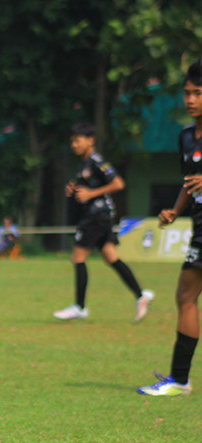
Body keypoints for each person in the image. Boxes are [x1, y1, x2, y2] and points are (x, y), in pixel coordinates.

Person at [138, 60, 202, 397]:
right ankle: (180, 379)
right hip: (200, 227)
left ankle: (179, 380)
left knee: (186, 296)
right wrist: (175, 211)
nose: (190, 99)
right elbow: (189, 182)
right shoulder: (186, 137)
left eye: (198, 93)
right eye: (187, 93)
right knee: (185, 296)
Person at [53, 123, 153, 322]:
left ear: (90, 140)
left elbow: (118, 183)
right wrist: (75, 190)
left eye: (77, 141)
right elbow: (86, 189)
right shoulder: (83, 164)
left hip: (97, 216)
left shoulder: (96, 161)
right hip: (98, 215)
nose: (74, 145)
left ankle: (80, 307)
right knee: (110, 257)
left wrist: (91, 193)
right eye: (72, 141)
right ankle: (141, 295)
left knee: (78, 257)